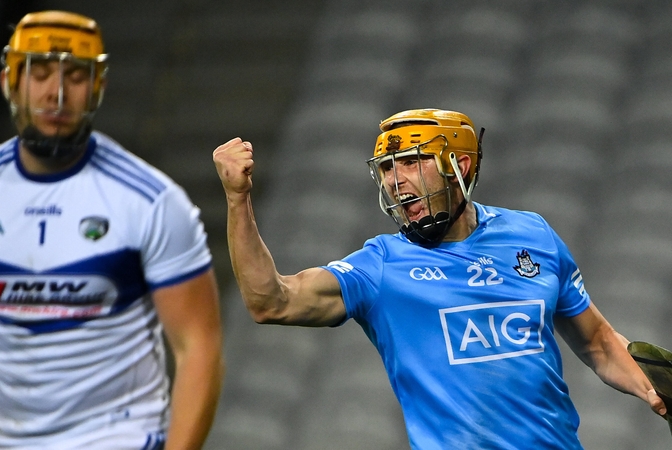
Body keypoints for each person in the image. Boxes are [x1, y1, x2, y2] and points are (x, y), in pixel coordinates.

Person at [213, 107, 668, 448]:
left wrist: (656, 390)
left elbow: (598, 343)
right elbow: (271, 301)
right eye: (387, 169)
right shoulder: (381, 264)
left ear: (461, 166)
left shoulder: (534, 235)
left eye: (411, 162)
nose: (395, 180)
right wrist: (238, 199)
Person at [0, 10, 224, 450]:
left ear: (98, 87)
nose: (56, 93)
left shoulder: (153, 201)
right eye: (38, 74)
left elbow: (199, 347)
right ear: (8, 83)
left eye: (75, 76)